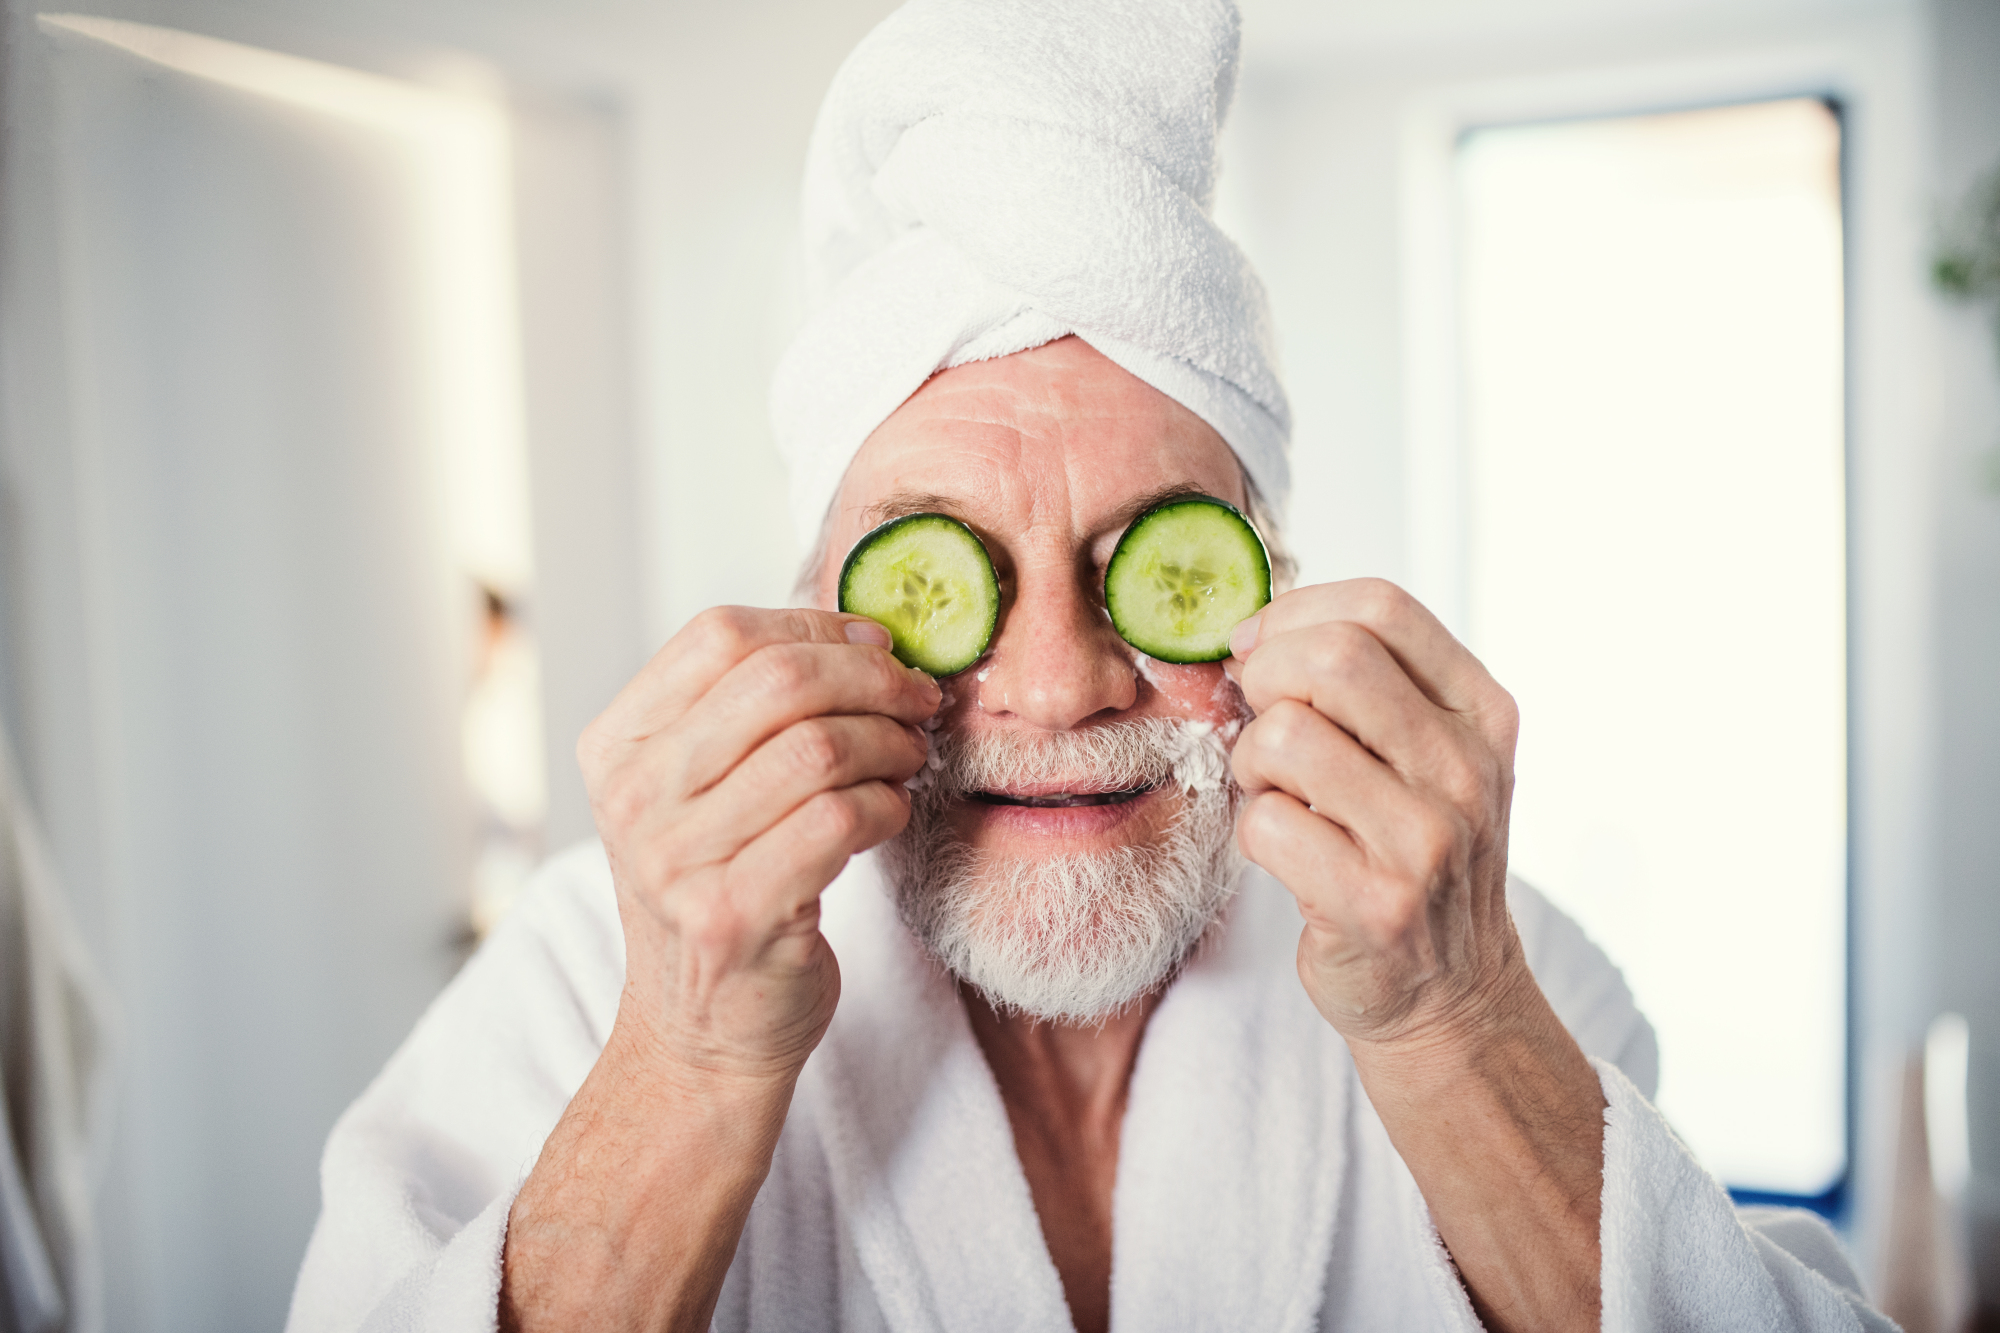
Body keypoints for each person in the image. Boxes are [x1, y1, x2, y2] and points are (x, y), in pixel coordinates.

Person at [286, 2, 1894, 1330]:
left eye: (1155, 563)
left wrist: (1459, 1023)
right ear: (803, 616)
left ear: (1277, 594)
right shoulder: (594, 978)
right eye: (940, 572)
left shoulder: (1479, 954)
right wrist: (691, 1059)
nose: (1056, 688)